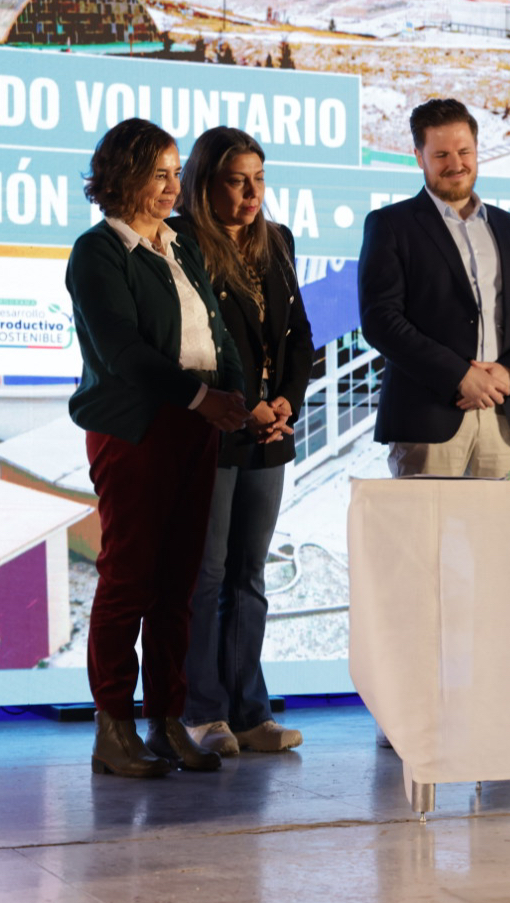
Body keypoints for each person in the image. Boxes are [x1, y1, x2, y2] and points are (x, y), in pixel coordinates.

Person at [67, 118, 252, 777]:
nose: (175, 186)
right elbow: (124, 351)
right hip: (137, 426)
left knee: (178, 583)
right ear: (122, 176)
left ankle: (168, 720)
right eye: (160, 174)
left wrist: (237, 395)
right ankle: (113, 726)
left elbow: (216, 335)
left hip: (195, 425)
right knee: (129, 579)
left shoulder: (181, 245)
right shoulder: (98, 252)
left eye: (177, 173)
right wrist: (203, 399)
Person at [169, 126, 314, 757]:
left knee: (249, 576)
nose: (252, 193)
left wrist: (286, 402)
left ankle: (250, 712)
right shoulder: (179, 240)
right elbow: (195, 342)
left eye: (259, 179)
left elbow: (299, 334)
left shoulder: (277, 240)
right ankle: (202, 712)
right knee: (206, 576)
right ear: (205, 184)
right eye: (237, 181)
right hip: (214, 429)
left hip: (269, 432)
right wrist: (245, 406)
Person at [359, 98, 510, 478]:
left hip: (502, 416)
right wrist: (460, 377)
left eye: (464, 151)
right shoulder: (390, 225)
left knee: (502, 519)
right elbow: (380, 320)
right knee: (427, 520)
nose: (456, 164)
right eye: (441, 154)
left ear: (477, 151)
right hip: (427, 418)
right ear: (419, 157)